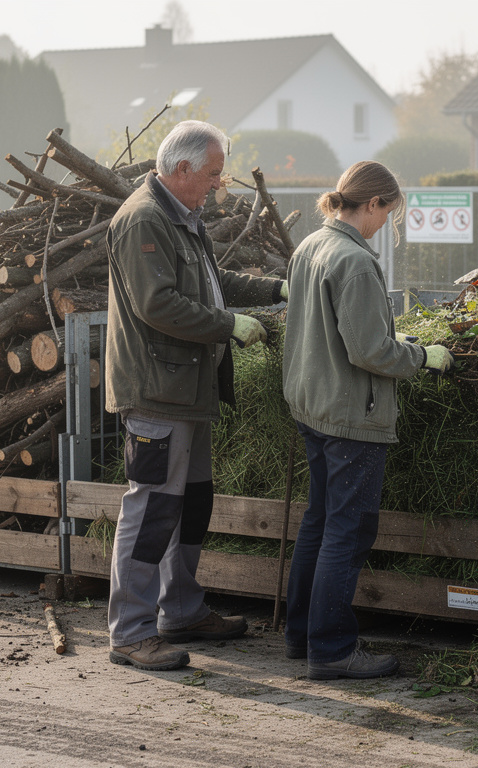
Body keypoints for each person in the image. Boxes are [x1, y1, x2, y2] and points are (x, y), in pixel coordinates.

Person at [104, 120, 287, 671]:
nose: (216, 184)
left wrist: (277, 289)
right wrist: (230, 327)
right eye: (211, 174)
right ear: (181, 169)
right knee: (154, 506)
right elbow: (158, 305)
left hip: (189, 388)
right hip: (158, 389)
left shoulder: (181, 216)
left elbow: (211, 280)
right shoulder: (143, 219)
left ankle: (179, 610)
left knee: (193, 502)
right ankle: (131, 633)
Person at [281, 161, 454, 679]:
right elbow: (368, 351)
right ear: (373, 203)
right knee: (347, 531)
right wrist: (423, 356)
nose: (385, 224)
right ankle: (332, 650)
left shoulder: (310, 246)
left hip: (313, 405)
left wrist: (391, 343)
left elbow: (338, 334)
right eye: (388, 213)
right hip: (351, 415)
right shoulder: (354, 262)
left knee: (318, 522)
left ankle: (301, 635)